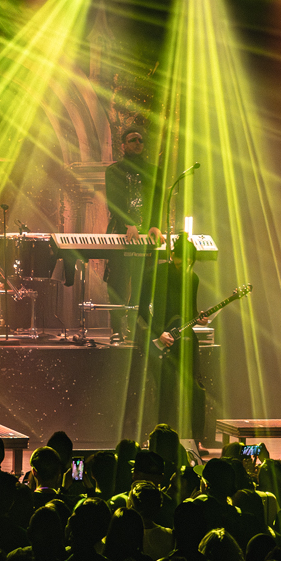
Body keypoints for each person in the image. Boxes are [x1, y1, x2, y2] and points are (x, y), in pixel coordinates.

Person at [136, 237, 206, 439]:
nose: (184, 267)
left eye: (189, 263)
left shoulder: (193, 278)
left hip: (186, 337)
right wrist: (158, 332)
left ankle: (198, 439)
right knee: (165, 390)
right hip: (162, 337)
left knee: (196, 389)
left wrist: (199, 318)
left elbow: (190, 311)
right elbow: (142, 308)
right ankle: (162, 438)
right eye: (180, 262)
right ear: (173, 255)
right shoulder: (155, 273)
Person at [103, 128, 163, 341]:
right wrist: (128, 223)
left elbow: (157, 201)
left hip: (146, 234)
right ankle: (116, 329)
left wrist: (155, 225)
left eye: (141, 140)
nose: (138, 143)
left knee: (143, 282)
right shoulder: (114, 171)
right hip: (121, 231)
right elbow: (113, 200)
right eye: (133, 140)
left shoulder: (154, 171)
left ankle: (138, 329)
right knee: (117, 281)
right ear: (123, 145)